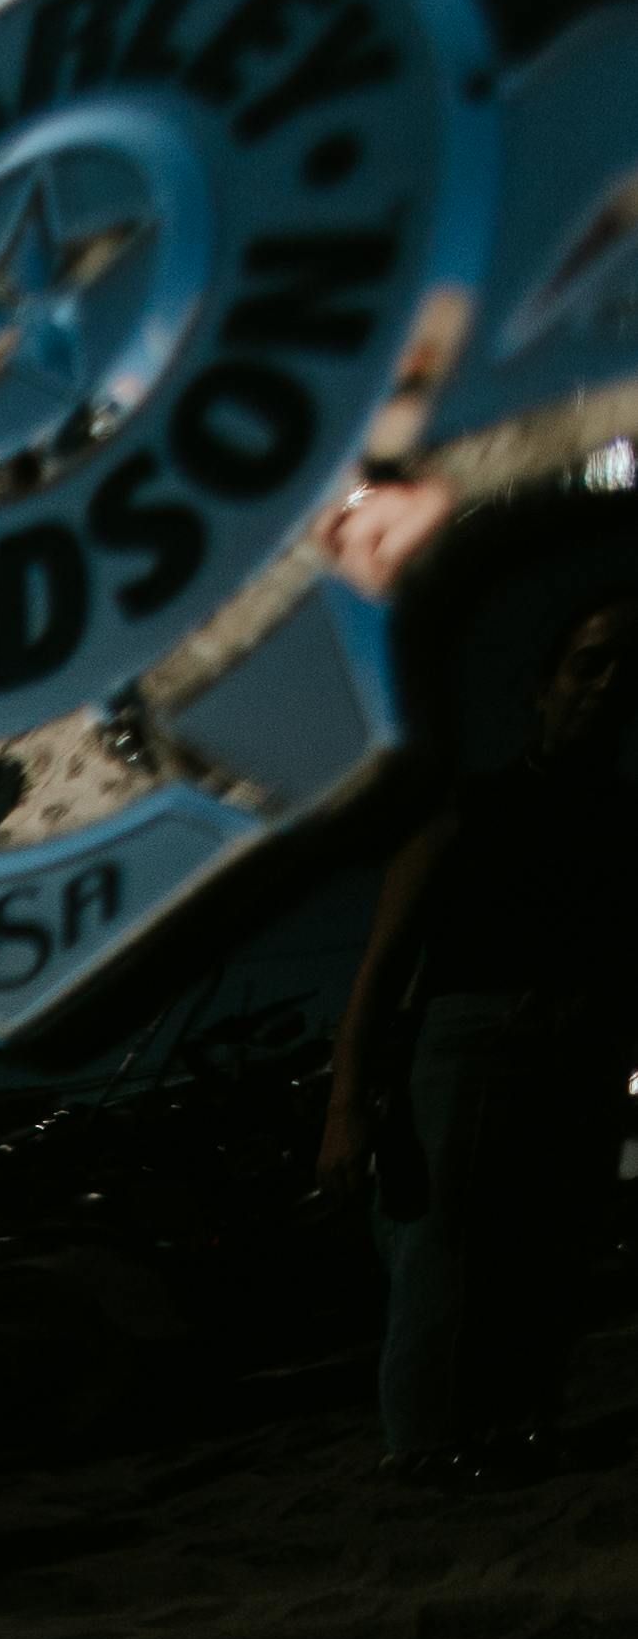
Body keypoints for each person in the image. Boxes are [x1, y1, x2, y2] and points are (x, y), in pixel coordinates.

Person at [319, 585, 638, 1477]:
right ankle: (422, 1448)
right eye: (587, 662)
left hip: (587, 1046)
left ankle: (522, 1422)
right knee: (443, 1255)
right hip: (472, 1044)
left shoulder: (625, 822)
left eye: (626, 667)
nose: (606, 683)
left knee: (554, 1247)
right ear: (542, 686)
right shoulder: (468, 809)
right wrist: (345, 1105)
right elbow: (381, 965)